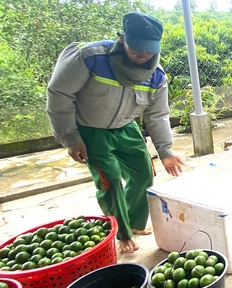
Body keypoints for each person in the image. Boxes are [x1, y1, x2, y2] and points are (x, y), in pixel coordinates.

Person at [46, 11, 185, 254]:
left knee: (143, 173)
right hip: (92, 129)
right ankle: (121, 233)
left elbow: (157, 115)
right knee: (110, 180)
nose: (143, 55)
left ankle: (133, 222)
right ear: (122, 40)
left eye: (149, 50)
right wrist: (70, 137)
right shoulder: (91, 58)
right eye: (137, 49)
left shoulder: (156, 75)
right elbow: (59, 93)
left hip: (126, 126)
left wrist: (166, 151)